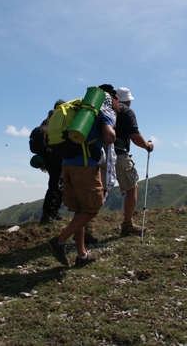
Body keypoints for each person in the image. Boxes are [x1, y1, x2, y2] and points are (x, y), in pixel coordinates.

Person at [46, 87, 117, 268]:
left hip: (67, 165)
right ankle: (59, 241)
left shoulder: (77, 112)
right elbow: (109, 137)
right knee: (93, 208)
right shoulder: (102, 112)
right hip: (85, 166)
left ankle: (82, 255)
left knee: (81, 211)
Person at [110, 87, 154, 236]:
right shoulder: (126, 111)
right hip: (119, 155)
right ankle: (127, 225)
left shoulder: (103, 111)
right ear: (127, 100)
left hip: (99, 155)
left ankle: (86, 227)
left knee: (99, 191)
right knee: (131, 188)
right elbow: (134, 136)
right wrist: (147, 146)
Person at [38, 100, 65, 224]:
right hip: (57, 157)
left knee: (56, 185)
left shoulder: (46, 121)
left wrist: (43, 159)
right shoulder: (59, 120)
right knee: (56, 185)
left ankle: (53, 212)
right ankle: (48, 215)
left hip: (49, 158)